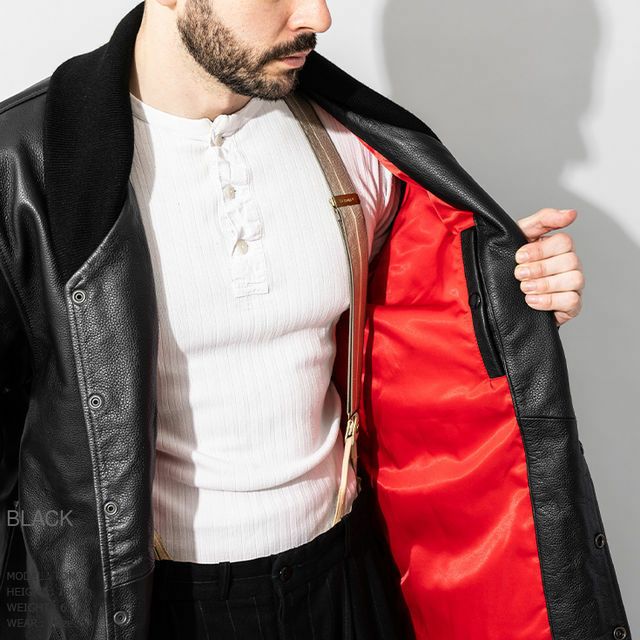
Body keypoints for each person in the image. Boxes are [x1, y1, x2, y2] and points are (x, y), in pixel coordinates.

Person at [0, 1, 631, 639]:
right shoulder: (24, 166)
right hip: (145, 603)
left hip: (348, 577)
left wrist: (508, 290)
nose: (320, 17)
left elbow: (417, 320)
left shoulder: (350, 143)